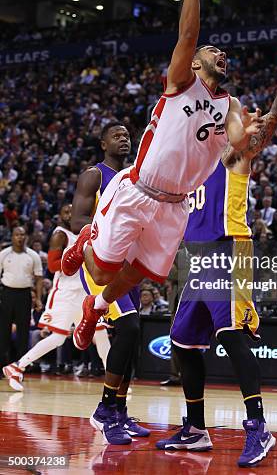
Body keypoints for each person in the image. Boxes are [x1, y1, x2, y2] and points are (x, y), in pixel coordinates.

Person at [61, 0, 263, 351]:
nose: (221, 54)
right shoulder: (181, 81)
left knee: (139, 273)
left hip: (176, 206)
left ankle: (94, 307)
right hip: (139, 188)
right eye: (212, 50)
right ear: (194, 61)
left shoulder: (231, 104)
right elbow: (188, 32)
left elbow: (240, 146)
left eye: (224, 52)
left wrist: (257, 126)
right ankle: (85, 242)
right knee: (100, 270)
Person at [156, 40, 277, 467]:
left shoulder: (234, 154)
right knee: (183, 344)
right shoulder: (190, 165)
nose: (221, 54)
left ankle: (259, 428)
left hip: (230, 249)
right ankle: (194, 429)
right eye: (212, 50)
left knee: (231, 336)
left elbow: (274, 119)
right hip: (200, 258)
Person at [72, 122, 150, 444]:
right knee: (129, 326)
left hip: (127, 266)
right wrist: (98, 252)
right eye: (116, 136)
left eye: (127, 136)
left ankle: (119, 410)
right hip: (99, 265)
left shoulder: (135, 178)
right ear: (103, 143)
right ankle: (104, 410)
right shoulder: (95, 175)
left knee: (130, 338)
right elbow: (78, 223)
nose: (124, 139)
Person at [2, 204, 110, 391]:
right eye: (65, 212)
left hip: (85, 291)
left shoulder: (87, 231)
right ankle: (17, 366)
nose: (69, 214)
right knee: (58, 338)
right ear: (60, 217)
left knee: (100, 334)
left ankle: (113, 380)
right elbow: (52, 266)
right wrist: (77, 256)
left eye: (71, 211)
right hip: (66, 293)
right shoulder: (60, 234)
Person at [0, 226, 43, 371]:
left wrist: (38, 299)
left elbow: (39, 279)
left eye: (22, 235)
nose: (20, 237)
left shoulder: (33, 255)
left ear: (26, 237)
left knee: (23, 333)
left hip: (24, 295)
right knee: (3, 332)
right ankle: (1, 366)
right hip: (6, 294)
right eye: (17, 234)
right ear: (12, 236)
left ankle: (20, 368)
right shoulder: (4, 254)